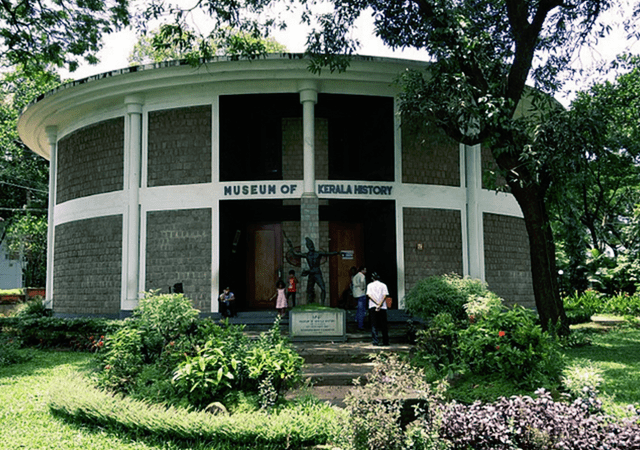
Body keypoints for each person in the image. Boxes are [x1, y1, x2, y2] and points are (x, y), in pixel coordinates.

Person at [286, 237, 339, 304]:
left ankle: (322, 303)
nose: (311, 247)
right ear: (308, 247)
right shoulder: (307, 255)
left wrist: (337, 253)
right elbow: (295, 254)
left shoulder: (318, 253)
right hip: (311, 274)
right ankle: (309, 302)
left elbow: (329, 253)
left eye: (312, 245)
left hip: (317, 273)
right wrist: (290, 245)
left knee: (323, 288)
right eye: (309, 245)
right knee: (309, 289)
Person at [366, 272, 389, 346]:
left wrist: (376, 303)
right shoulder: (383, 285)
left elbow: (369, 295)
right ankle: (385, 341)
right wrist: (380, 303)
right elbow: (385, 295)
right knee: (383, 324)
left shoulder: (369, 285)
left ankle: (375, 341)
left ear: (372, 278)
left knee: (374, 324)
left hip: (373, 306)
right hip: (382, 306)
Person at [352, 266, 367, 330]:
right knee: (362, 310)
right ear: (362, 270)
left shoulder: (355, 276)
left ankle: (356, 320)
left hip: (356, 294)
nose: (366, 271)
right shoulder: (362, 276)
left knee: (359, 309)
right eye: (365, 270)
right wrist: (363, 288)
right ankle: (360, 325)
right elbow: (362, 283)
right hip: (361, 294)